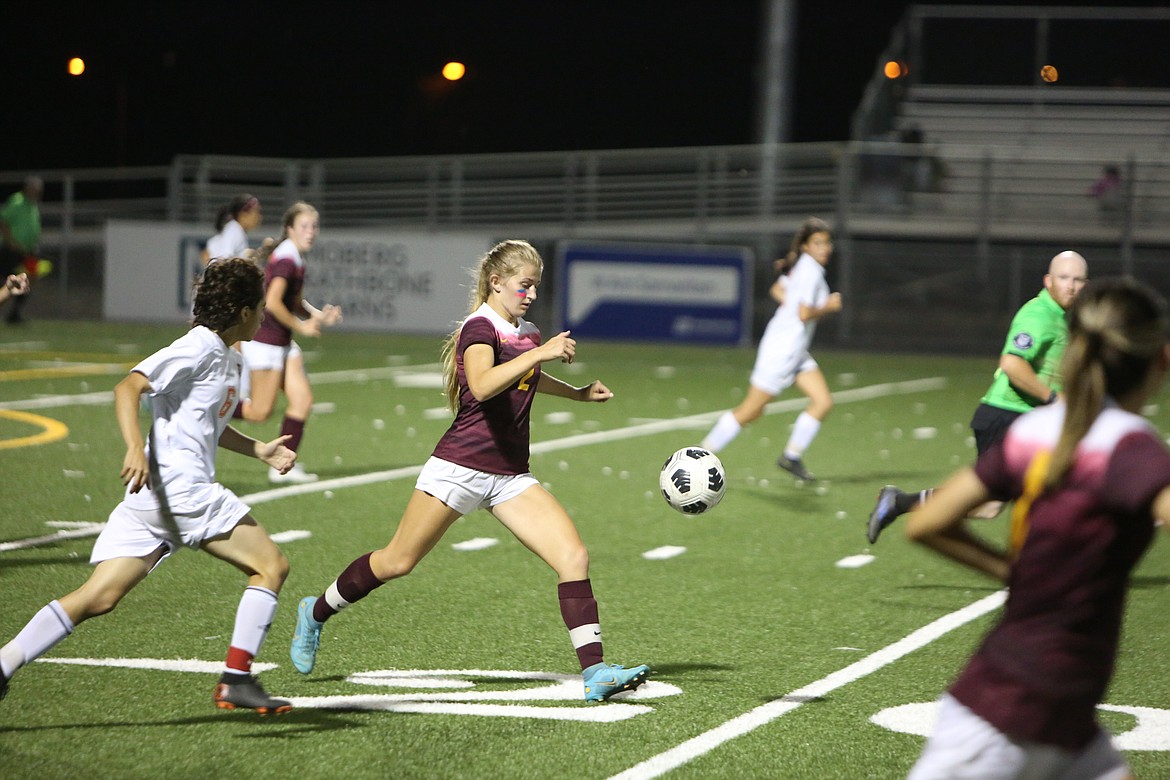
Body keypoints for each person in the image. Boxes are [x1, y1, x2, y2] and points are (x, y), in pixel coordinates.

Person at [288, 239, 650, 702]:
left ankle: (595, 672)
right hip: (459, 467)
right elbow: (480, 385)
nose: (532, 294)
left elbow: (524, 379)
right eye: (525, 285)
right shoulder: (479, 328)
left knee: (573, 557)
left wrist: (577, 393)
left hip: (510, 475)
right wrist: (538, 354)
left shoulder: (527, 332)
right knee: (397, 561)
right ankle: (315, 613)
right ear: (496, 282)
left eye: (536, 286)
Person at [0, 257, 296, 713]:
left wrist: (260, 450)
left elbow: (207, 424)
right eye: (260, 308)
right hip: (183, 491)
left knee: (98, 597)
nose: (264, 317)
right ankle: (236, 678)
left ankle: (3, 664)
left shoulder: (230, 355)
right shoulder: (198, 347)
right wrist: (135, 447)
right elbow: (128, 387)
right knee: (271, 567)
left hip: (156, 499)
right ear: (241, 311)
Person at [904, 276, 1170, 780]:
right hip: (1007, 713)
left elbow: (927, 522)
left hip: (1063, 714)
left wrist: (1009, 570)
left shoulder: (1035, 431)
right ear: (1161, 359)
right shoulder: (1130, 446)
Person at [867, 250, 1089, 544]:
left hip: (1019, 419)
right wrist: (1051, 398)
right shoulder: (1039, 315)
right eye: (1063, 278)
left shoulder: (1064, 317)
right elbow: (1011, 363)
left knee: (988, 506)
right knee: (1056, 485)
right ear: (1048, 280)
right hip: (1008, 417)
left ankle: (899, 503)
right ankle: (1050, 563)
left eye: (1077, 280)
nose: (1070, 286)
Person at [700, 217, 842, 482]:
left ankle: (791, 457)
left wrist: (792, 306)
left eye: (827, 242)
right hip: (782, 350)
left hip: (795, 349)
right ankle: (701, 455)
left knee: (822, 402)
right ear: (806, 247)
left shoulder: (803, 267)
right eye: (818, 243)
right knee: (751, 410)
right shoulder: (809, 271)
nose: (825, 248)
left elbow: (777, 289)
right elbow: (803, 313)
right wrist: (829, 306)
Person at [238, 201, 342, 484]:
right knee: (259, 413)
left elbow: (292, 302)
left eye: (314, 226)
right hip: (266, 342)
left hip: (282, 344)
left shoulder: (294, 257)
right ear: (290, 229)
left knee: (302, 400)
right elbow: (272, 302)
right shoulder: (286, 259)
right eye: (304, 226)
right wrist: (302, 327)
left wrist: (319, 316)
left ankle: (281, 464)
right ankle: (206, 407)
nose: (311, 232)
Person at [0, 176, 42, 324]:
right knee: (9, 279)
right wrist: (10, 242)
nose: (36, 192)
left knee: (29, 279)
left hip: (28, 251)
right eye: (34, 188)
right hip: (12, 249)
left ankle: (15, 313)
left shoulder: (33, 204)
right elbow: (3, 221)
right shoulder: (17, 201)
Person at [202, 193, 265, 267]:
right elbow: (224, 259)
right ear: (243, 214)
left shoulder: (234, 229)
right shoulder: (234, 231)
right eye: (257, 212)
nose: (260, 217)